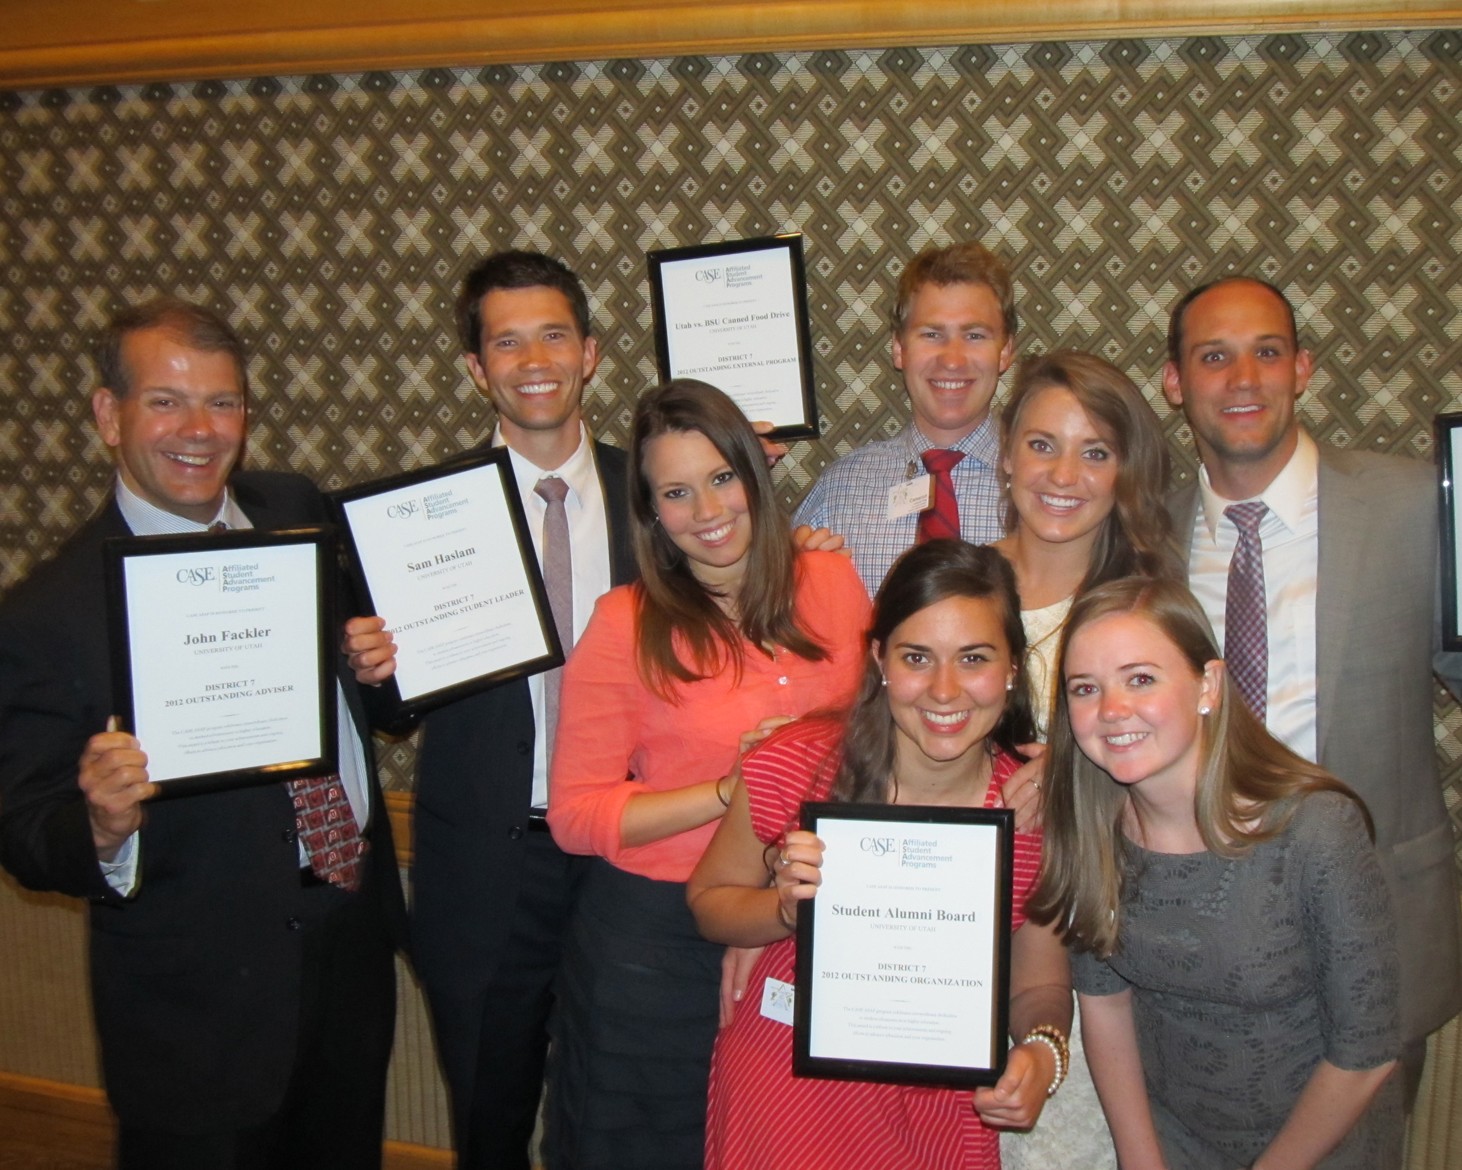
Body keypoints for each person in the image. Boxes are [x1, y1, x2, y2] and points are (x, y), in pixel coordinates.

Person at [0, 297, 405, 1169]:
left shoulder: (293, 509)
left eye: (222, 402)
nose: (199, 429)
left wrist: (373, 671)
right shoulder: (44, 615)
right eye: (166, 401)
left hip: (348, 958)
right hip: (196, 1016)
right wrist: (100, 825)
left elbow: (350, 705)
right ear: (109, 415)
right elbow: (27, 831)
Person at [342, 250, 635, 1169]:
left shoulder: (661, 497)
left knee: (618, 1106)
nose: (533, 357)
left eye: (553, 334)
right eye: (506, 342)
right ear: (477, 369)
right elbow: (390, 714)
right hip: (484, 872)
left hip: (631, 860)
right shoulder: (424, 520)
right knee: (489, 1116)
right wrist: (372, 670)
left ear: (589, 352)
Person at [544, 378, 870, 1168]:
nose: (710, 510)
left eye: (722, 477)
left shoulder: (828, 578)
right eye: (677, 493)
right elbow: (576, 816)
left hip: (798, 923)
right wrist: (730, 788)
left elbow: (877, 738)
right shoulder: (625, 624)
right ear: (653, 513)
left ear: (752, 474)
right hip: (654, 947)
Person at [1161, 275, 1462, 1097]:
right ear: (1175, 383)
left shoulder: (1415, 507)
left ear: (1303, 367)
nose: (1244, 378)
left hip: (1379, 927)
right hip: (1196, 942)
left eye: (1267, 352)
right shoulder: (1144, 533)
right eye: (1214, 357)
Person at [690, 539, 1073, 1169]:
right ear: (880, 660)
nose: (945, 691)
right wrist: (781, 911)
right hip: (789, 1090)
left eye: (973, 658)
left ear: (1011, 667)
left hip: (942, 1104)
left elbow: (1040, 983)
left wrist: (1041, 1053)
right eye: (917, 657)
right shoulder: (799, 764)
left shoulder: (1032, 815)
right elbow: (708, 902)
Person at [1031, 577, 1402, 1169]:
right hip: (1177, 1141)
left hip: (1320, 1146)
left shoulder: (1315, 831)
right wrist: (1141, 1160)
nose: (1111, 710)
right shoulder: (1090, 830)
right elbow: (1104, 1005)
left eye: (1141, 678)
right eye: (1085, 688)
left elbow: (1367, 1053)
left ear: (1208, 685)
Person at [991, 350, 1178, 1170]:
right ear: (1005, 456)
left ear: (1124, 471)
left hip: (1113, 956)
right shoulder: (953, 589)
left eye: (1096, 451)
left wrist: (1074, 776)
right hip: (964, 949)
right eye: (1042, 445)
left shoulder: (1150, 612)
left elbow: (1190, 789)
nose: (1064, 473)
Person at [795, 241, 1017, 594]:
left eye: (974, 335)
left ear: (1005, 352)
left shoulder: (1041, 488)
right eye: (932, 334)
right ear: (899, 348)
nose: (953, 360)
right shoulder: (841, 492)